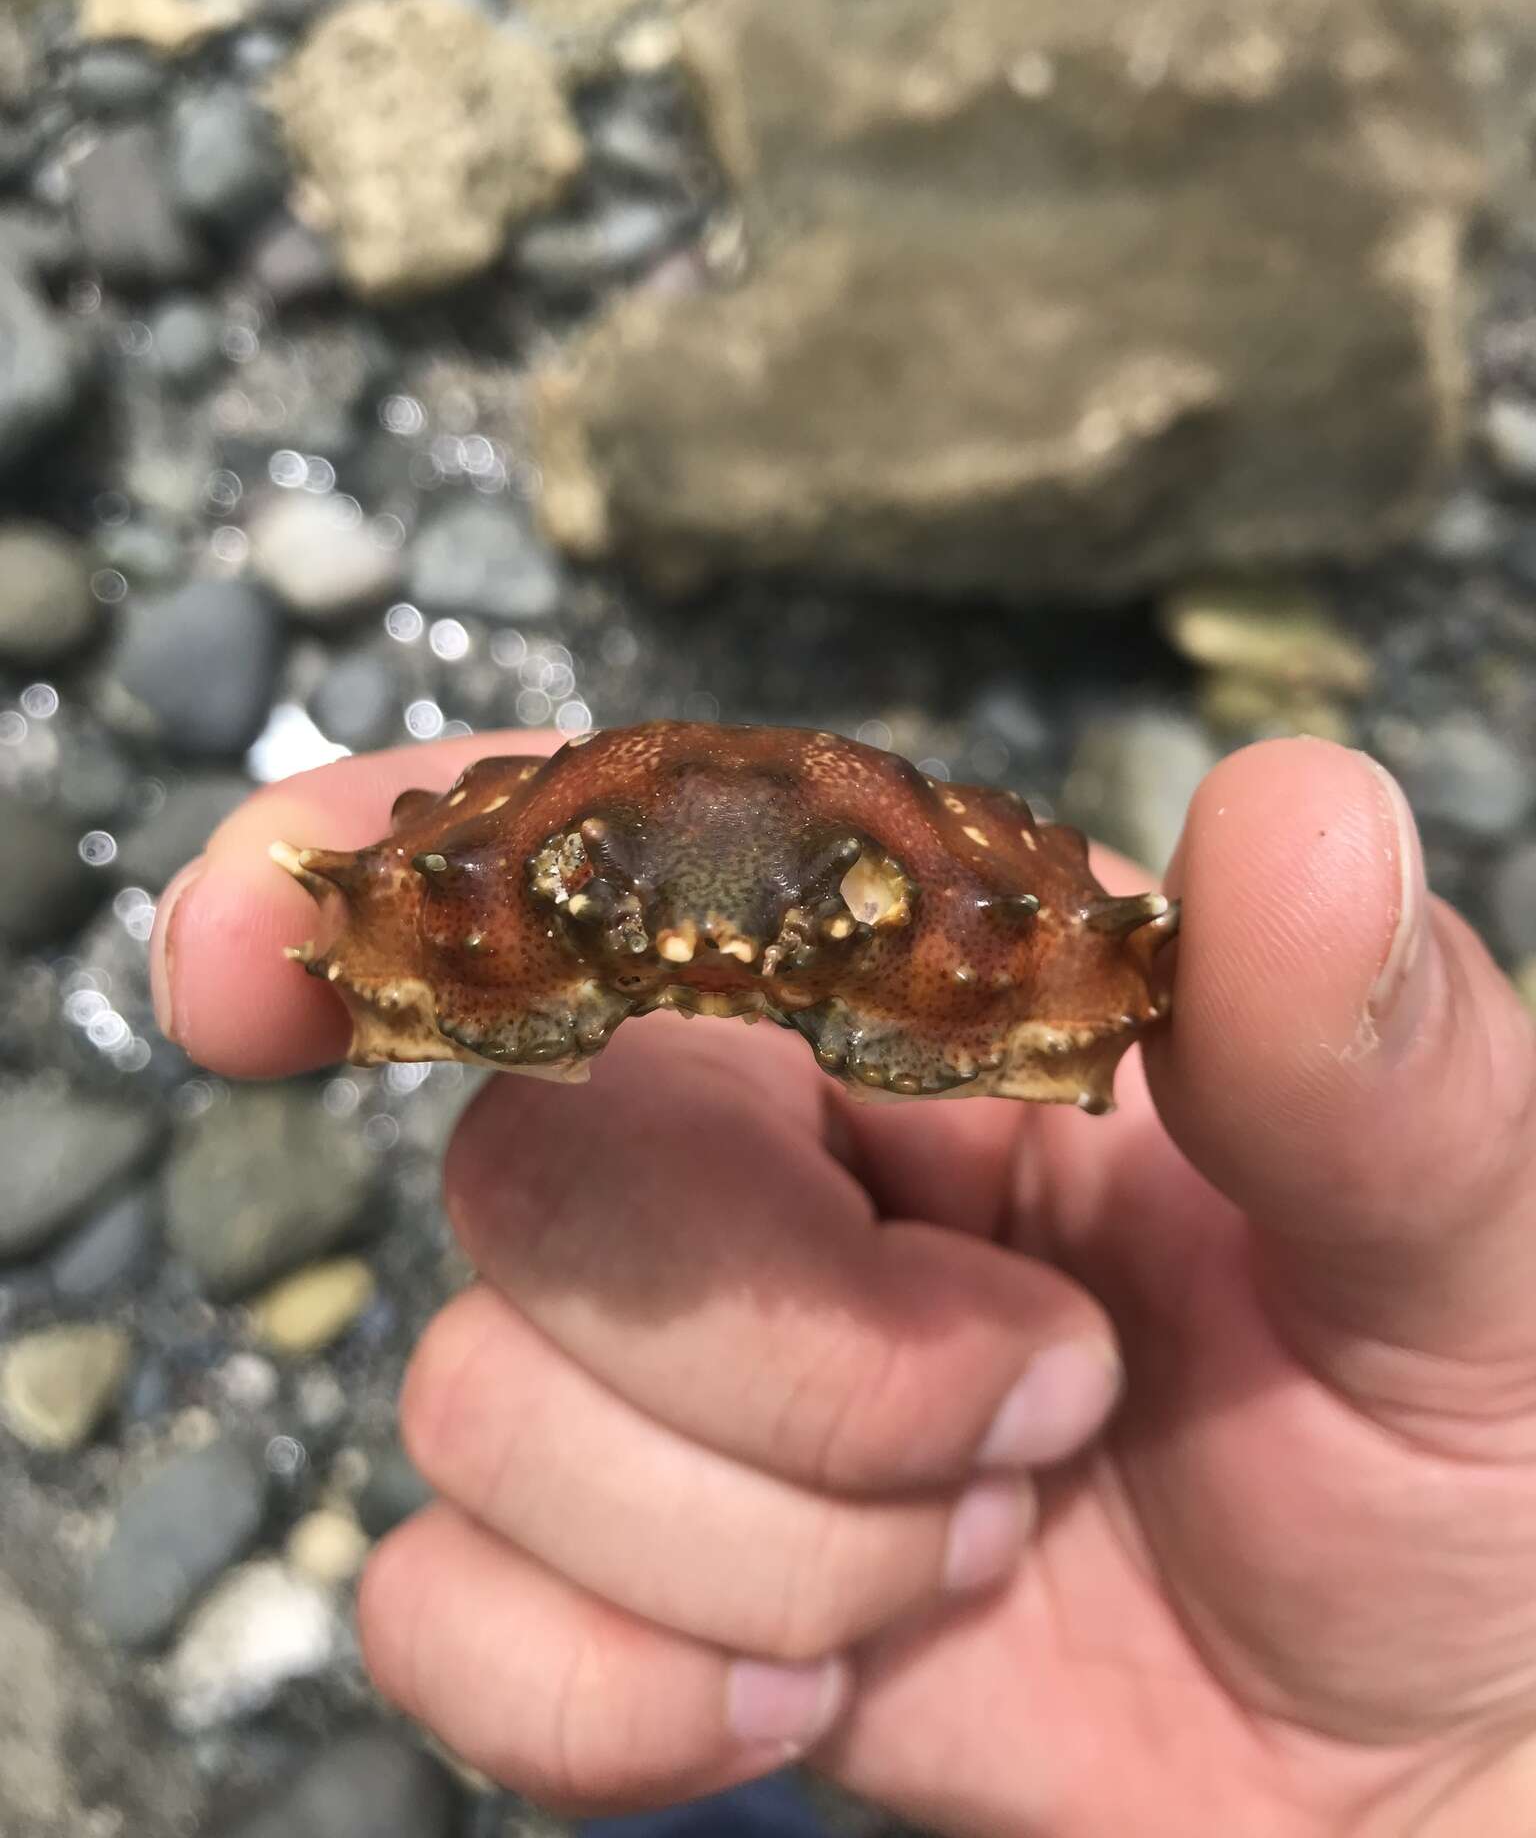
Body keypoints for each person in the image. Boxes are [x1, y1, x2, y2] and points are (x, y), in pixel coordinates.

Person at [150, 733, 1536, 1837]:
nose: (714, 965)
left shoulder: (1029, 946)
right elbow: (367, 905)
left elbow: (1107, 964)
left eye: (842, 925)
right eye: (595, 908)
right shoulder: (430, 897)